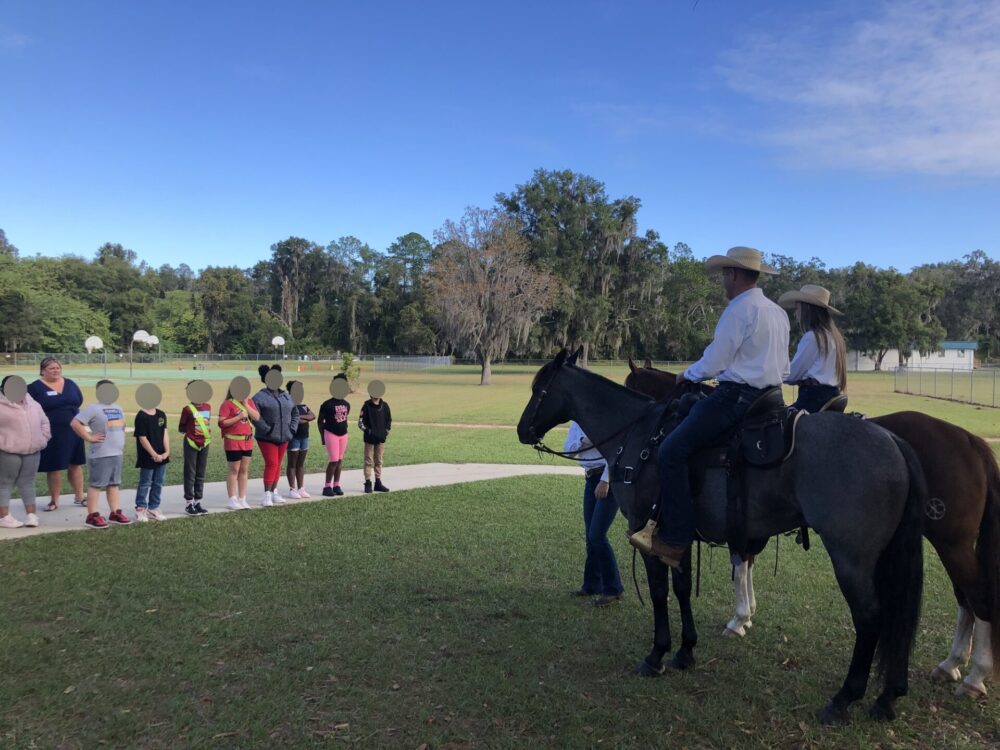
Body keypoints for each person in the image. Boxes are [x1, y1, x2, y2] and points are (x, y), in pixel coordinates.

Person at [635, 247, 790, 568]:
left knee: (671, 450)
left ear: (733, 274)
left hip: (734, 399)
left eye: (724, 275)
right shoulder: (778, 312)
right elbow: (785, 369)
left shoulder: (738, 310)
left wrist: (684, 375)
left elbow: (715, 362)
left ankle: (676, 539)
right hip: (773, 400)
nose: (722, 281)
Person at [564, 421, 623, 607]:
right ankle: (592, 585)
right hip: (590, 479)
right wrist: (584, 441)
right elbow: (568, 449)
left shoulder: (603, 417)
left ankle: (614, 589)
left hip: (607, 481)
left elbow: (617, 451)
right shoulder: (577, 423)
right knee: (590, 536)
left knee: (597, 534)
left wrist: (606, 480)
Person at [27, 357, 85, 511]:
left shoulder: (70, 384)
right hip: (51, 433)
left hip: (74, 431)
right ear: (42, 371)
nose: (55, 371)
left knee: (75, 464)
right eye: (51, 368)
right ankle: (54, 500)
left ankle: (80, 496)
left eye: (58, 368)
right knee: (54, 466)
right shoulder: (34, 388)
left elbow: (79, 400)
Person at [778, 285, 848, 413]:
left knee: (778, 422)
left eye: (798, 308)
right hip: (832, 395)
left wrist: (775, 373)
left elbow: (792, 374)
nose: (795, 313)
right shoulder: (835, 337)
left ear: (807, 308)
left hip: (813, 399)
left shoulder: (812, 337)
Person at [71, 380, 131, 528]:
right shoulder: (93, 408)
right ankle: (92, 516)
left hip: (116, 453)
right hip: (101, 453)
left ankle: (115, 513)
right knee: (96, 485)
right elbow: (75, 423)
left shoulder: (118, 407)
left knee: (113, 484)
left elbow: (121, 426)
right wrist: (89, 437)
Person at [0, 376, 51, 529]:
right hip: (9, 452)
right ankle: (4, 517)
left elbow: (44, 421)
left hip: (33, 450)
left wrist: (43, 439)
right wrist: (4, 443)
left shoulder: (32, 402)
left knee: (28, 482)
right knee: (5, 483)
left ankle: (31, 515)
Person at [251, 365, 299, 507]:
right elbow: (254, 417)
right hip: (267, 438)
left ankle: (274, 492)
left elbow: (295, 412)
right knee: (271, 463)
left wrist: (292, 430)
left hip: (284, 436)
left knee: (278, 464)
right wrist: (267, 429)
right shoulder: (259, 397)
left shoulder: (286, 396)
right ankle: (266, 495)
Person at [219, 379, 259, 511]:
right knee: (234, 470)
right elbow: (222, 423)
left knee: (244, 470)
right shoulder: (227, 404)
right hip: (233, 441)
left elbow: (257, 417)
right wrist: (238, 417)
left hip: (247, 441)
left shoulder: (249, 402)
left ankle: (242, 498)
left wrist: (246, 405)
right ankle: (232, 499)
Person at [133, 397, 170, 522]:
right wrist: (154, 454)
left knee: (158, 482)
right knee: (145, 482)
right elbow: (142, 438)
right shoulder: (141, 416)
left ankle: (153, 508)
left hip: (162, 455)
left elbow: (165, 433)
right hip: (148, 456)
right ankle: (140, 508)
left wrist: (167, 451)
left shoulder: (161, 414)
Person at [178, 382, 212, 512]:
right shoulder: (187, 409)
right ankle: (189, 503)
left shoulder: (208, 407)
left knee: (200, 472)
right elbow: (181, 427)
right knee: (190, 472)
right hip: (191, 443)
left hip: (205, 443)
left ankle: (198, 501)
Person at [318, 374, 351, 496]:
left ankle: (337, 484)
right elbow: (320, 421)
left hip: (343, 435)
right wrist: (322, 436)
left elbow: (344, 419)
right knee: (333, 461)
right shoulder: (327, 404)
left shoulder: (347, 404)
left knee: (340, 460)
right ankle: (327, 487)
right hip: (331, 434)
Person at [285, 380, 316, 499]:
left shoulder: (303, 406)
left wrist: (300, 417)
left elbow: (312, 416)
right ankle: (292, 489)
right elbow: (293, 420)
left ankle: (301, 488)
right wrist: (304, 418)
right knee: (292, 464)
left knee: (300, 464)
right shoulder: (288, 405)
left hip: (304, 437)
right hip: (294, 437)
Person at [358, 386, 391, 493]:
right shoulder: (366, 406)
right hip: (369, 439)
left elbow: (389, 421)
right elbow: (360, 423)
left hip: (381, 439)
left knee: (379, 461)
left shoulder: (385, 406)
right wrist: (369, 432)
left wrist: (385, 432)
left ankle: (378, 482)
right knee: (368, 461)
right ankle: (368, 483)